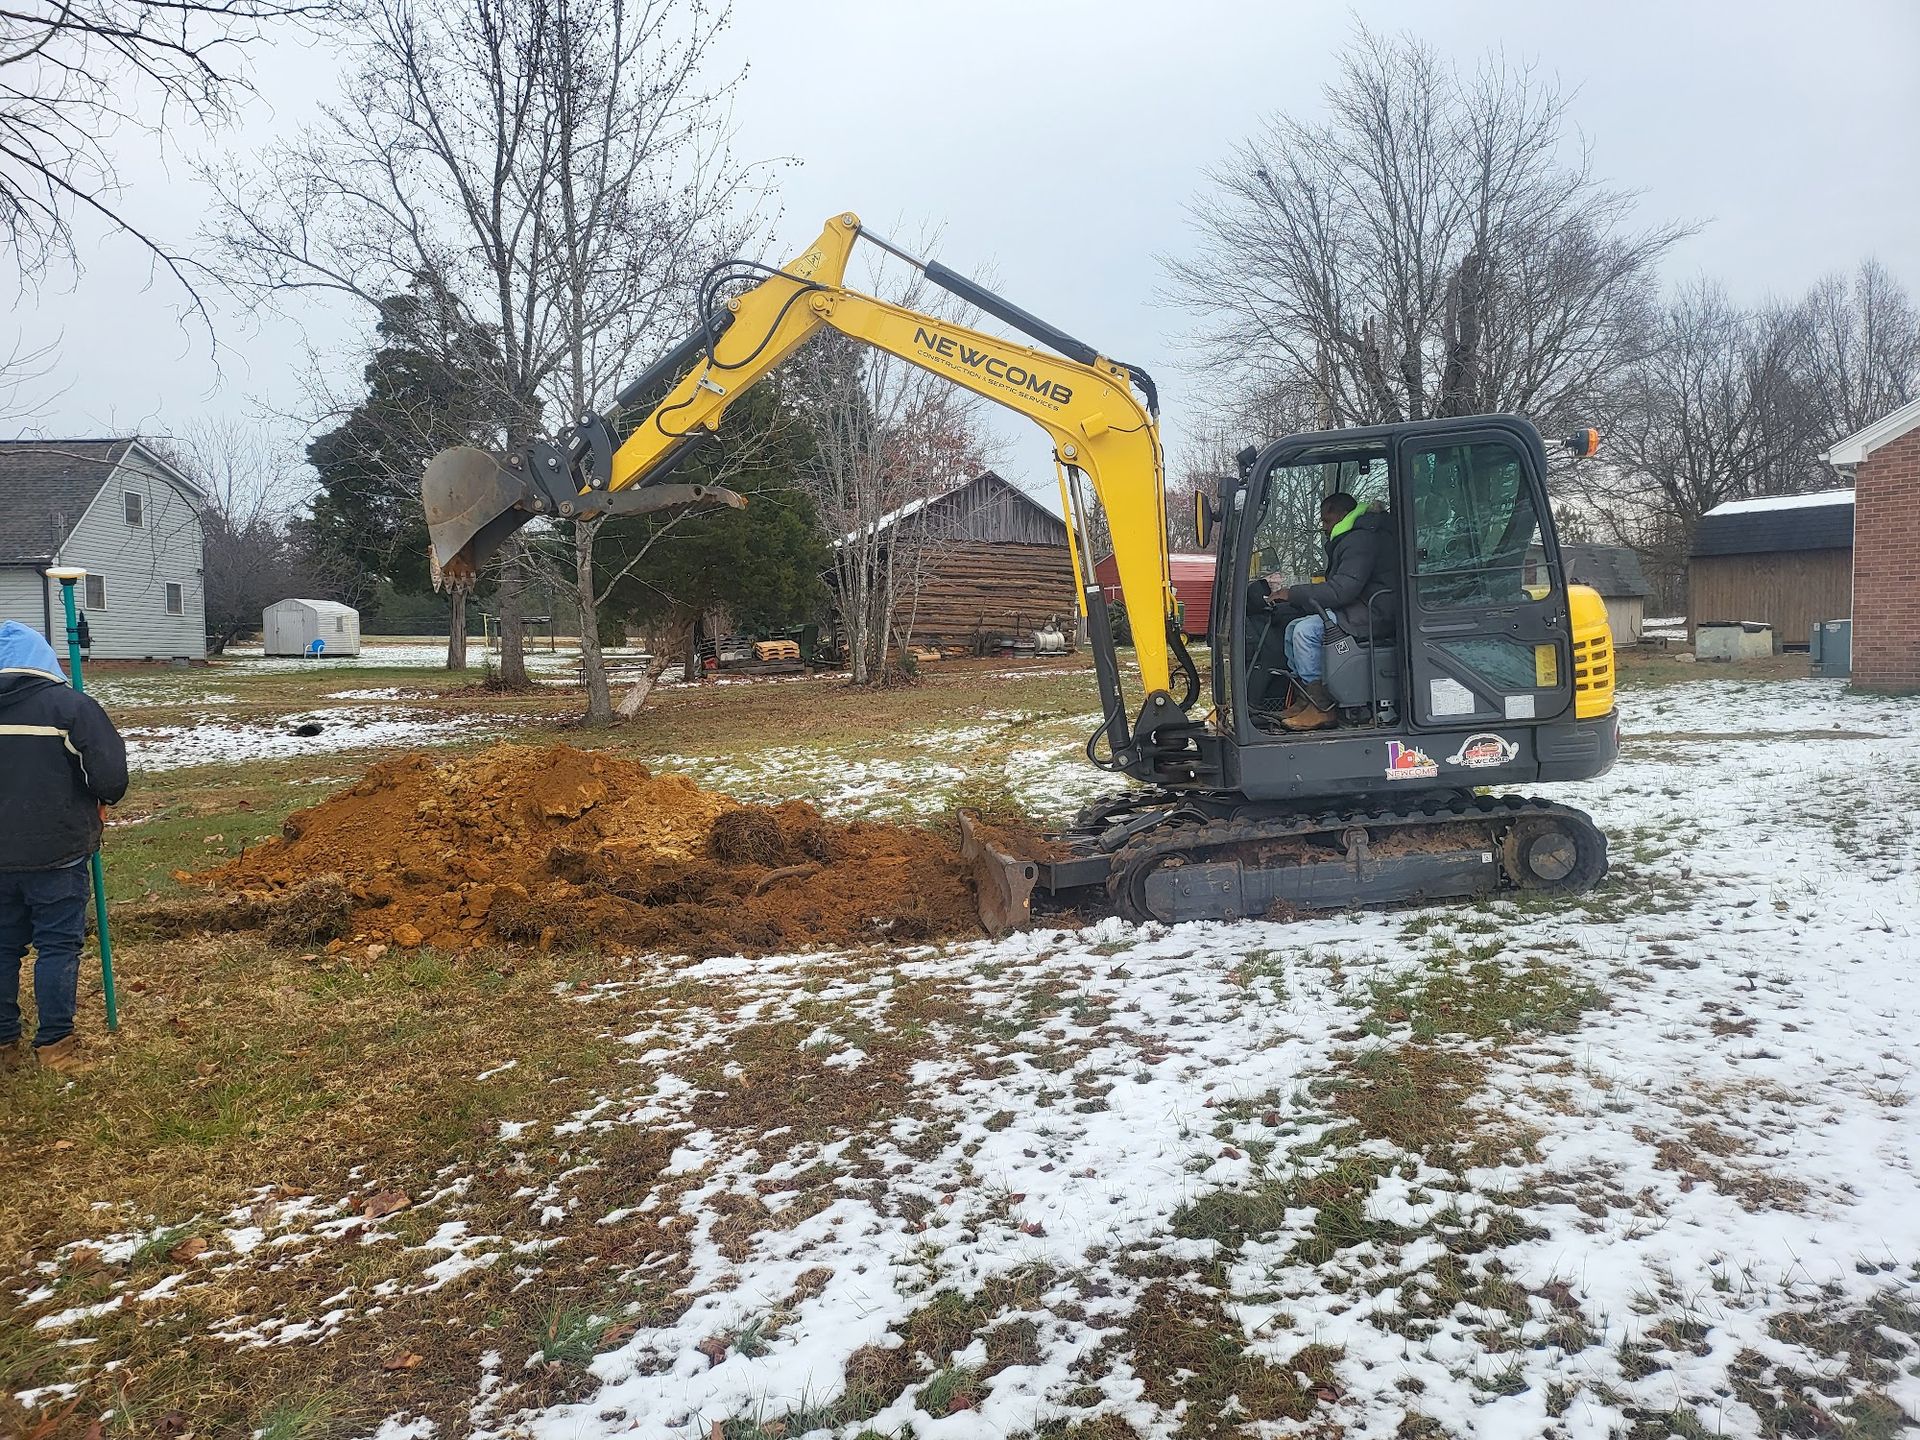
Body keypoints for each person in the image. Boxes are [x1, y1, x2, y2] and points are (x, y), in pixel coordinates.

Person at [0, 619, 128, 1075]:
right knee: (56, 945)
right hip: (57, 851)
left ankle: (3, 1044)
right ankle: (56, 1047)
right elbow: (110, 780)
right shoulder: (69, 708)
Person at [1263, 492, 1396, 732]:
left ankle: (1322, 707)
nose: (1324, 527)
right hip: (1361, 605)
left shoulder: (1361, 539)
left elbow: (1342, 590)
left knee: (1306, 631)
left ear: (1343, 514)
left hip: (1374, 611)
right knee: (1293, 627)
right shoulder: (1353, 536)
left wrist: (1292, 593)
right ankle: (1306, 699)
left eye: (1326, 520)